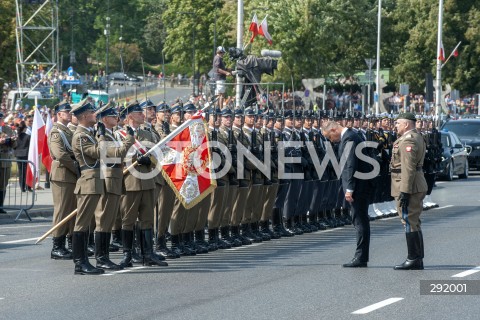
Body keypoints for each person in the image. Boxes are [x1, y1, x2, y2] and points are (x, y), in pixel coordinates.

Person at [322, 120, 374, 268]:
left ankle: (361, 257)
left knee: (359, 221)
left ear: (333, 130)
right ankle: (361, 256)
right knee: (360, 220)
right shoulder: (352, 135)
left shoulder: (349, 138)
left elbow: (349, 164)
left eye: (329, 137)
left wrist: (349, 188)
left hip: (358, 186)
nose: (331, 141)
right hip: (361, 184)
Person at [391, 112, 428, 270]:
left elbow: (408, 168)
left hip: (409, 186)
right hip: (415, 183)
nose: (396, 126)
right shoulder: (416, 136)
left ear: (406, 124)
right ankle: (417, 258)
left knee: (409, 221)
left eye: (398, 123)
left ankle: (413, 258)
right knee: (413, 221)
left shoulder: (408, 140)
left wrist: (404, 191)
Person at [48, 100, 77, 260]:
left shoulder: (68, 131)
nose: (70, 114)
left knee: (72, 211)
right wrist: (76, 167)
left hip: (70, 175)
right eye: (67, 111)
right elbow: (60, 154)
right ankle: (57, 246)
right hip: (62, 175)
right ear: (59, 114)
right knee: (62, 210)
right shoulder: (56, 132)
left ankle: (71, 242)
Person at [13, 121, 30, 192]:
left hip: (18, 155)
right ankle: (27, 186)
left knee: (20, 171)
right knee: (26, 171)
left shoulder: (16, 136)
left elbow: (14, 146)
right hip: (25, 155)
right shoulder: (28, 136)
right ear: (24, 129)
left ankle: (22, 187)